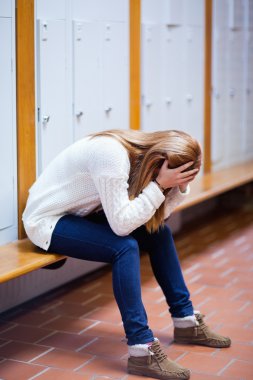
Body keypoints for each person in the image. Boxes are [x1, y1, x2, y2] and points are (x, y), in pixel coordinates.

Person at [22, 129, 231, 380]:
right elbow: (122, 226)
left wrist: (177, 187)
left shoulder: (140, 157)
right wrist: (160, 185)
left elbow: (157, 219)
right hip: (47, 220)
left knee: (159, 233)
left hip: (82, 215)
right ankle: (141, 349)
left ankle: (186, 322)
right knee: (125, 247)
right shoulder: (111, 156)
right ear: (157, 163)